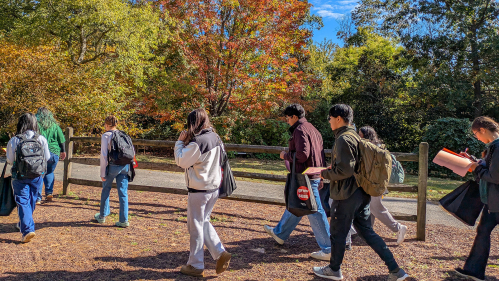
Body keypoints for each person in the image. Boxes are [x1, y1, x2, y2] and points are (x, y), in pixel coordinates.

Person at [313, 104, 408, 281]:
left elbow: (345, 171)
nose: (329, 121)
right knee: (367, 232)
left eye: (330, 118)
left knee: (337, 234)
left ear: (338, 118)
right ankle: (396, 270)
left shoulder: (343, 139)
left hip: (346, 194)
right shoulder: (355, 136)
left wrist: (323, 173)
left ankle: (334, 270)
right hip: (361, 192)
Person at [263, 104, 332, 261]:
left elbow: (302, 155)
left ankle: (329, 248)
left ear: (294, 116)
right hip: (313, 173)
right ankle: (280, 233)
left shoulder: (299, 130)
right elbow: (319, 154)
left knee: (315, 210)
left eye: (287, 118)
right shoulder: (313, 129)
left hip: (305, 175)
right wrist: (320, 174)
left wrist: (285, 156)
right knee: (299, 204)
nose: (287, 121)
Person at [174, 108, 231, 277]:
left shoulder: (199, 141)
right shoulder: (215, 137)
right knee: (203, 222)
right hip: (213, 187)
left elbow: (181, 161)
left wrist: (179, 142)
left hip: (199, 189)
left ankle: (195, 264)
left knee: (195, 226)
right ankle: (220, 252)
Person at [454, 116, 499, 281]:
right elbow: (490, 167)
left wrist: (476, 169)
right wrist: (474, 161)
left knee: (483, 232)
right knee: (483, 232)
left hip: (497, 201)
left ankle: (474, 271)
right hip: (492, 202)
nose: (476, 138)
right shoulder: (493, 147)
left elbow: (495, 176)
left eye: (475, 134)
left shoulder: (498, 147)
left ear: (482, 129)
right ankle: (473, 272)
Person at [358, 126, 408, 245]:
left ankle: (398, 228)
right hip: (376, 183)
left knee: (376, 208)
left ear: (366, 136)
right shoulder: (378, 147)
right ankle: (367, 233)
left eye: (360, 134)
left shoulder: (370, 149)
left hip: (374, 184)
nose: (358, 136)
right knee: (369, 208)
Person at [6, 113, 50, 243]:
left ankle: (27, 229)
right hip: (37, 175)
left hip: (20, 175)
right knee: (31, 200)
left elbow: (9, 160)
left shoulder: (15, 140)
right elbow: (47, 158)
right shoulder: (41, 139)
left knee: (23, 201)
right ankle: (24, 224)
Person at [93, 115, 133, 228]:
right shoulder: (123, 134)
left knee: (106, 188)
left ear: (106, 125)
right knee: (123, 192)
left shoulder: (106, 135)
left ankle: (102, 216)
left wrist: (102, 173)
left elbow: (104, 155)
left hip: (113, 166)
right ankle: (124, 220)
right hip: (125, 166)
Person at [35, 107, 66, 204]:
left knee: (40, 174)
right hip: (54, 152)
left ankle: (38, 197)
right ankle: (49, 193)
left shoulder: (36, 125)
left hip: (40, 153)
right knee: (49, 172)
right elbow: (61, 140)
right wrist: (63, 151)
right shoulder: (55, 126)